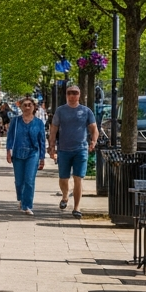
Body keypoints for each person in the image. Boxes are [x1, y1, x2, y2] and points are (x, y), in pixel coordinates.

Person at [48, 85, 99, 219]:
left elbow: (94, 129)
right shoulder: (60, 111)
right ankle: (65, 196)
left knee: (78, 179)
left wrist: (93, 141)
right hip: (64, 150)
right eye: (70, 93)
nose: (72, 95)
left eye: (75, 93)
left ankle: (77, 207)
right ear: (66, 95)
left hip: (81, 149)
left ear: (79, 95)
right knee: (63, 178)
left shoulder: (86, 111)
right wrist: (51, 146)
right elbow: (53, 129)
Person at [6, 97, 48, 215]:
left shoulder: (39, 123)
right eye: (25, 105)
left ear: (34, 107)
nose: (27, 107)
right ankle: (21, 198)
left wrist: (42, 157)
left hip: (33, 153)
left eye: (30, 105)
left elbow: (42, 141)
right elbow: (10, 137)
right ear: (21, 107)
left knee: (29, 180)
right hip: (18, 153)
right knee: (19, 182)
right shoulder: (16, 121)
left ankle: (27, 205)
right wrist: (8, 151)